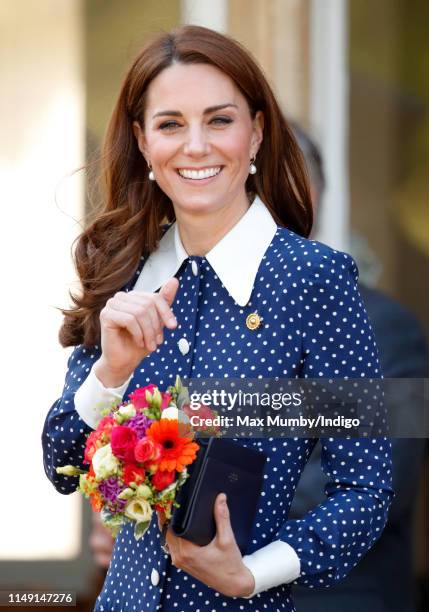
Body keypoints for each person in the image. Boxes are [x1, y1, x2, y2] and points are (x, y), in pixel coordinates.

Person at [42, 25, 393, 612]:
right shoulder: (123, 276)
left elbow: (366, 489)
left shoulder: (313, 280)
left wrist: (252, 573)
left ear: (256, 132)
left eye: (220, 120)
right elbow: (61, 465)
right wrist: (110, 373)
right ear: (143, 141)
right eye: (171, 124)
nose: (196, 146)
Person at [289, 123, 429, 612]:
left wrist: (199, 513)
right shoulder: (199, 323)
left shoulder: (387, 328)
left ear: (309, 196)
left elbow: (379, 484)